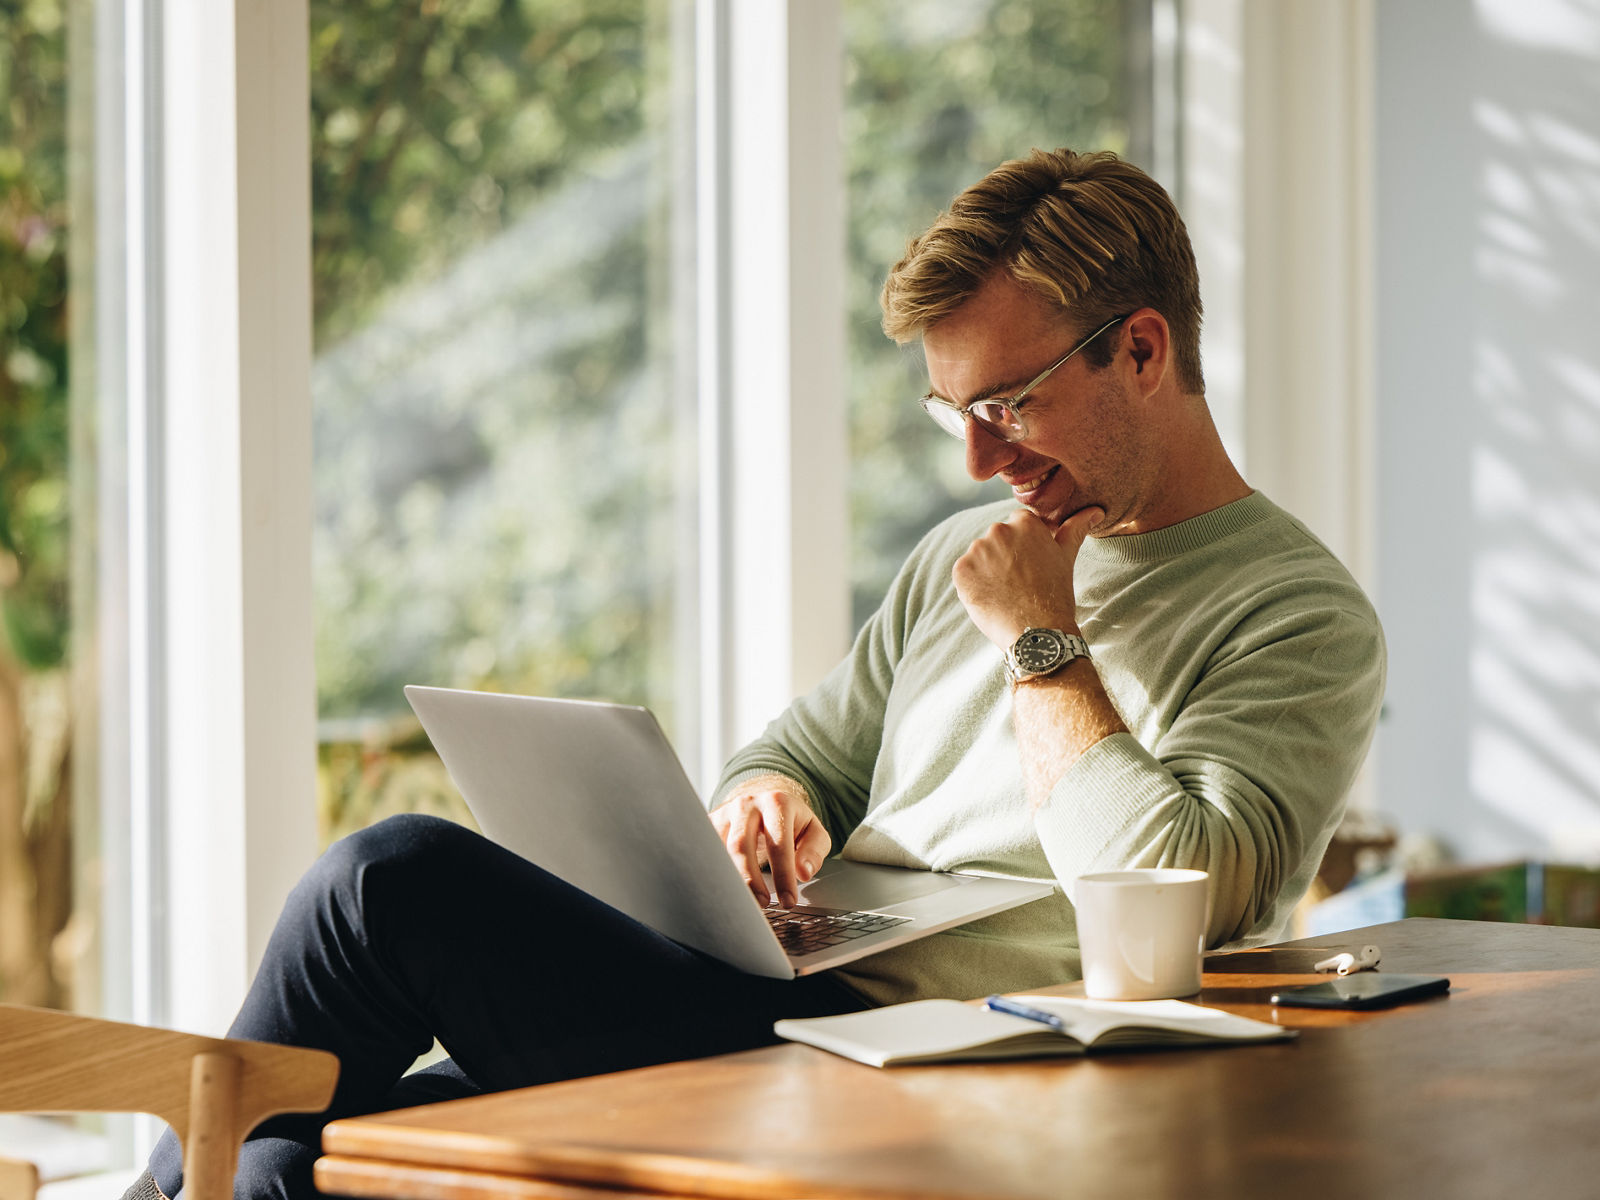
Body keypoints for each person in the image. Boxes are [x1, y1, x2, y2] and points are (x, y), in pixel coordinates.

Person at [125, 148, 1384, 1200]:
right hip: (764, 994)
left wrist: (1040, 642)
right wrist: (762, 801)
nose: (976, 465)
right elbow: (800, 754)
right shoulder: (962, 556)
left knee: (386, 880)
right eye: (957, 417)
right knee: (291, 1161)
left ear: (1143, 351)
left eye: (1008, 404)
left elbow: (1191, 895)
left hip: (932, 1063)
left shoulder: (1299, 616)